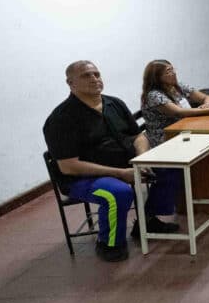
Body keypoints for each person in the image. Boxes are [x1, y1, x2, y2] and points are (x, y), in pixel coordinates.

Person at [43, 61, 176, 262]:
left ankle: (147, 221)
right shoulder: (61, 118)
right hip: (84, 178)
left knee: (172, 167)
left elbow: (138, 135)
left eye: (97, 74)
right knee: (118, 193)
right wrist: (120, 173)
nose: (95, 79)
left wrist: (141, 157)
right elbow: (68, 165)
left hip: (127, 164)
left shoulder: (114, 103)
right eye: (87, 76)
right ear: (71, 83)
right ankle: (109, 243)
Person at [140, 59, 209, 149]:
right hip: (166, 135)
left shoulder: (178, 86)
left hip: (186, 125)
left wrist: (207, 105)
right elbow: (179, 112)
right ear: (157, 78)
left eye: (173, 69)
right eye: (168, 71)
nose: (174, 73)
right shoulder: (153, 95)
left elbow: (207, 97)